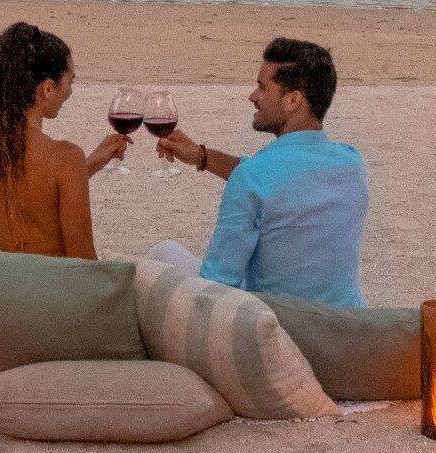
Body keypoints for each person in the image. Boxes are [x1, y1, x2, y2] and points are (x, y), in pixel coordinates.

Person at [154, 36, 367, 306]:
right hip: (342, 324)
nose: (252, 97)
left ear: (292, 100)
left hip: (277, 329)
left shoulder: (253, 177)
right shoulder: (352, 163)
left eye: (262, 88)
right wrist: (202, 156)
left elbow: (218, 285)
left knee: (161, 254)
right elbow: (281, 179)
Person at [0, 20, 130, 257]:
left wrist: (89, 165)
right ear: (48, 88)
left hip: (16, 282)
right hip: (57, 287)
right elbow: (82, 263)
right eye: (70, 81)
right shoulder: (65, 157)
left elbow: (31, 194)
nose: (70, 91)